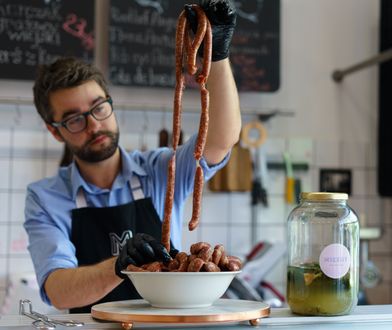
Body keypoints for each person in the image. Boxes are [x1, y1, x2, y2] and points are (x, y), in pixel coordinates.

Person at [24, 0, 240, 313]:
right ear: (55, 131)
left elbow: (221, 140)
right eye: (74, 119)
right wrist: (118, 264)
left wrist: (216, 55)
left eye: (99, 107)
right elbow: (58, 290)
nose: (94, 124)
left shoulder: (160, 170)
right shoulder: (45, 198)